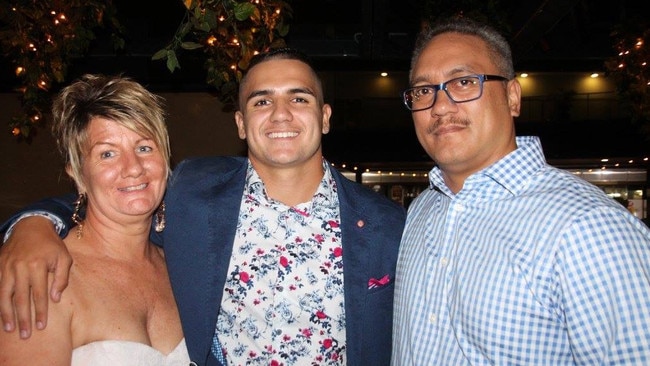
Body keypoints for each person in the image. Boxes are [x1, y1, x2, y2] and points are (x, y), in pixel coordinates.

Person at [0, 48, 406, 365]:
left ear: (325, 117)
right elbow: (114, 198)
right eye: (262, 101)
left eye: (299, 98)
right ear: (241, 124)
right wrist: (32, 224)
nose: (281, 113)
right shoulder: (196, 195)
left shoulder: (386, 225)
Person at [392, 17, 650, 364]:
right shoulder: (422, 210)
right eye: (424, 90)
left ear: (513, 97)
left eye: (465, 82)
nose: (440, 106)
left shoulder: (590, 229)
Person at [0, 74, 190, 364]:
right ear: (78, 174)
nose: (133, 168)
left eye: (144, 148)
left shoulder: (181, 266)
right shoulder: (42, 275)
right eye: (108, 154)